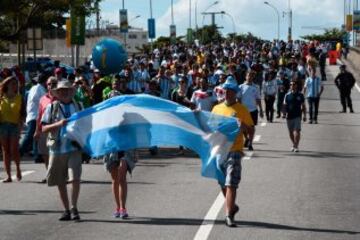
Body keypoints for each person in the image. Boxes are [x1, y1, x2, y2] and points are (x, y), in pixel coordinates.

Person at [212, 82, 253, 227]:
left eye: (230, 91)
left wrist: (243, 127)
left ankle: (229, 215)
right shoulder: (216, 108)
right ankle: (232, 206)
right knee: (223, 182)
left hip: (234, 150)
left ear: (235, 93)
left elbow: (250, 130)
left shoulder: (241, 109)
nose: (227, 93)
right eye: (226, 90)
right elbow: (210, 128)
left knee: (231, 183)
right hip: (219, 150)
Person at [41, 80, 83, 221]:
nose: (65, 93)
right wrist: (59, 124)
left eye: (67, 90)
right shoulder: (51, 108)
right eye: (61, 91)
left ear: (72, 92)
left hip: (74, 148)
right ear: (57, 93)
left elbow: (87, 125)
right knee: (60, 181)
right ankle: (66, 209)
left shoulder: (79, 106)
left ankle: (74, 207)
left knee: (75, 178)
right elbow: (44, 128)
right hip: (57, 149)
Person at [0, 76, 25, 182]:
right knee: (5, 151)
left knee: (14, 150)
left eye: (16, 83)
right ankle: (9, 176)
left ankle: (18, 169)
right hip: (2, 126)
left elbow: (23, 114)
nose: (15, 85)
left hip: (15, 126)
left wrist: (20, 126)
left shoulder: (20, 97)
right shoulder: (1, 97)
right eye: (13, 83)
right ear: (7, 84)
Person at [34, 76, 58, 183]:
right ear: (46, 85)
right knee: (45, 153)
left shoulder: (61, 97)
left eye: (54, 84)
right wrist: (37, 130)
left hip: (57, 129)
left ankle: (59, 174)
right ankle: (49, 173)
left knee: (56, 153)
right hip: (44, 128)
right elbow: (39, 115)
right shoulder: (43, 99)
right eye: (49, 84)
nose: (51, 86)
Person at [19, 72, 48, 160]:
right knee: (30, 135)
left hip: (33, 115)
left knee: (36, 135)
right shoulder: (40, 89)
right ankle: (19, 151)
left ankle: (37, 155)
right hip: (35, 115)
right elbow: (42, 102)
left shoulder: (34, 88)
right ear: (45, 81)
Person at [237, 70, 264, 151]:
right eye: (248, 76)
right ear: (246, 76)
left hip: (253, 110)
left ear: (253, 77)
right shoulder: (241, 87)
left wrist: (261, 110)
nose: (249, 77)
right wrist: (238, 109)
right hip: (243, 111)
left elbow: (258, 99)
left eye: (251, 76)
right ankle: (247, 138)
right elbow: (238, 99)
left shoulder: (256, 87)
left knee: (251, 127)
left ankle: (250, 144)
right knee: (243, 127)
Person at [283, 80, 306, 152]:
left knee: (296, 131)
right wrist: (284, 114)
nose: (292, 86)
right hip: (289, 115)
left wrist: (304, 115)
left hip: (297, 115)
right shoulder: (287, 95)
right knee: (290, 132)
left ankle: (296, 146)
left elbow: (303, 106)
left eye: (293, 84)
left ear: (296, 85)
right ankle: (294, 144)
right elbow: (284, 105)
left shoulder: (300, 95)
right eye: (291, 84)